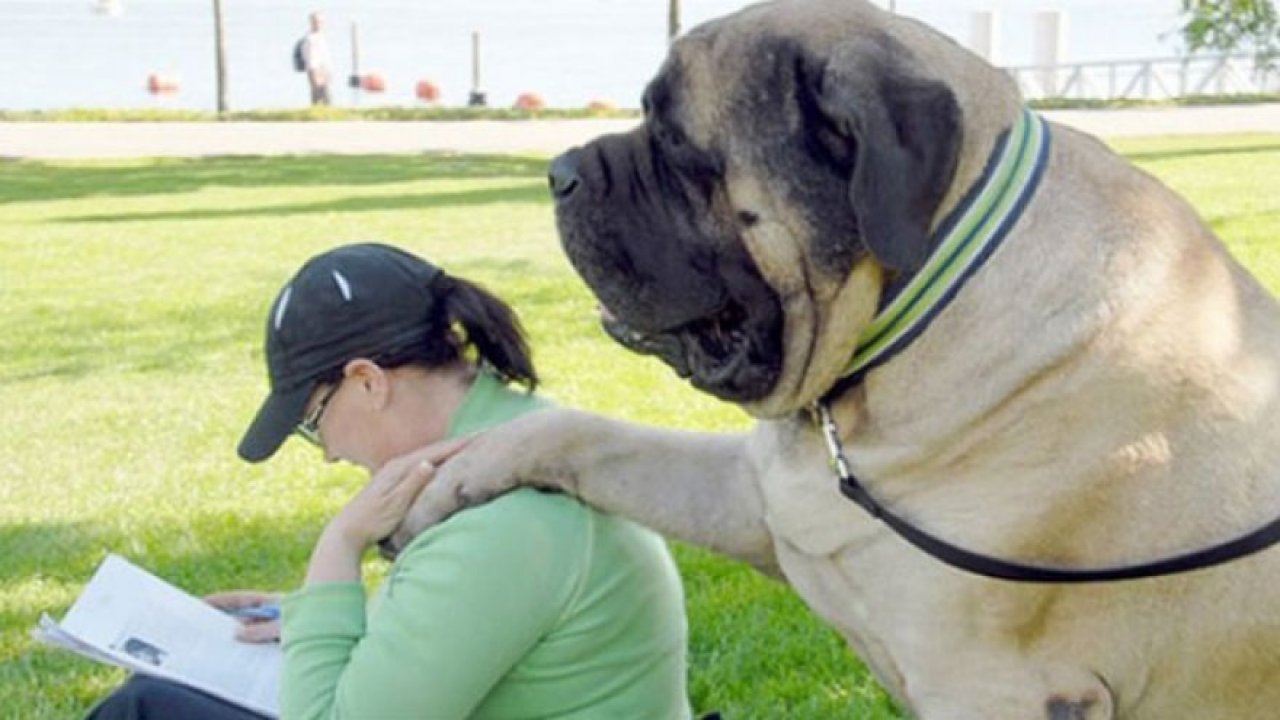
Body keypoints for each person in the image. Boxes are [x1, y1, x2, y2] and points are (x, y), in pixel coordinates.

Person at [84, 242, 691, 719]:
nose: (326, 454)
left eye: (313, 422)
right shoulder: (518, 441)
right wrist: (314, 618)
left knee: (140, 711)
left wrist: (338, 547)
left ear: (369, 382)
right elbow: (465, 626)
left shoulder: (500, 522)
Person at [301, 11, 332, 106]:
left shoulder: (321, 37)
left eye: (321, 22)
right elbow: (309, 57)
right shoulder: (309, 38)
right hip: (315, 69)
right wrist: (314, 72)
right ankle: (316, 111)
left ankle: (327, 111)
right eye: (316, 21)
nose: (319, 24)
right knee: (317, 92)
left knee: (326, 92)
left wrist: (329, 70)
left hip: (324, 68)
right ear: (311, 22)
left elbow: (325, 56)